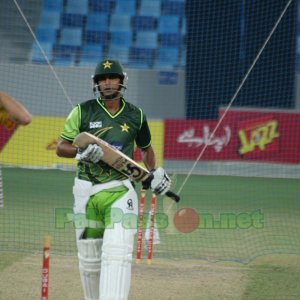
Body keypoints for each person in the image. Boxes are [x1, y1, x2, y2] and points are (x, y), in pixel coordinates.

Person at [56, 59, 171, 300]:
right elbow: (61, 147)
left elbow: (146, 149)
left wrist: (156, 170)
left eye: (112, 78)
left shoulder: (135, 115)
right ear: (96, 83)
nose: (107, 83)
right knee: (90, 258)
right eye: (102, 79)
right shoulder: (82, 110)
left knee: (117, 253)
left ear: (121, 81)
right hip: (86, 194)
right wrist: (81, 152)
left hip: (121, 189)